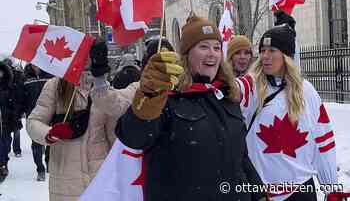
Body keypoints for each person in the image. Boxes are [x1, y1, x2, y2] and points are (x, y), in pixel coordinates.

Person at [116, 16, 267, 201]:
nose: (212, 53)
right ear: (187, 55)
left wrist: (258, 194)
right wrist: (149, 96)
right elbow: (134, 137)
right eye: (203, 47)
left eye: (216, 47)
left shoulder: (227, 97)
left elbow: (241, 157)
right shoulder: (165, 98)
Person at [237, 13, 337, 200]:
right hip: (262, 194)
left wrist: (331, 188)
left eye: (272, 50)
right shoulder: (253, 85)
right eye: (263, 50)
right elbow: (233, 90)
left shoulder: (306, 91)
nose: (265, 56)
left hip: (301, 192)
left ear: (287, 56)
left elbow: (324, 141)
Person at [26, 42, 138, 201]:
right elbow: (33, 122)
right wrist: (49, 133)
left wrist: (122, 164)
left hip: (99, 175)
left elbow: (112, 133)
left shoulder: (103, 88)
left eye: (89, 54)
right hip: (65, 177)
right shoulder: (55, 86)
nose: (85, 59)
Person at [23, 64, 53, 181]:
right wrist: (21, 110)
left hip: (51, 115)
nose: (36, 66)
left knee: (51, 140)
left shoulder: (51, 76)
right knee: (36, 143)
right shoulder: (26, 78)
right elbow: (21, 97)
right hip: (34, 115)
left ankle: (49, 162)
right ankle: (40, 169)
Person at [0, 61, 22, 182]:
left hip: (6, 121)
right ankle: (1, 165)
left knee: (6, 144)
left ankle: (4, 162)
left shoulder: (10, 86)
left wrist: (14, 114)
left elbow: (15, 103)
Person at [3, 58, 24, 158]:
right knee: (6, 131)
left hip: (15, 107)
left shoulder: (17, 76)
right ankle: (6, 149)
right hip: (6, 109)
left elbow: (20, 92)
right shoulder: (3, 77)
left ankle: (17, 150)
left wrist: (20, 107)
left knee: (16, 130)